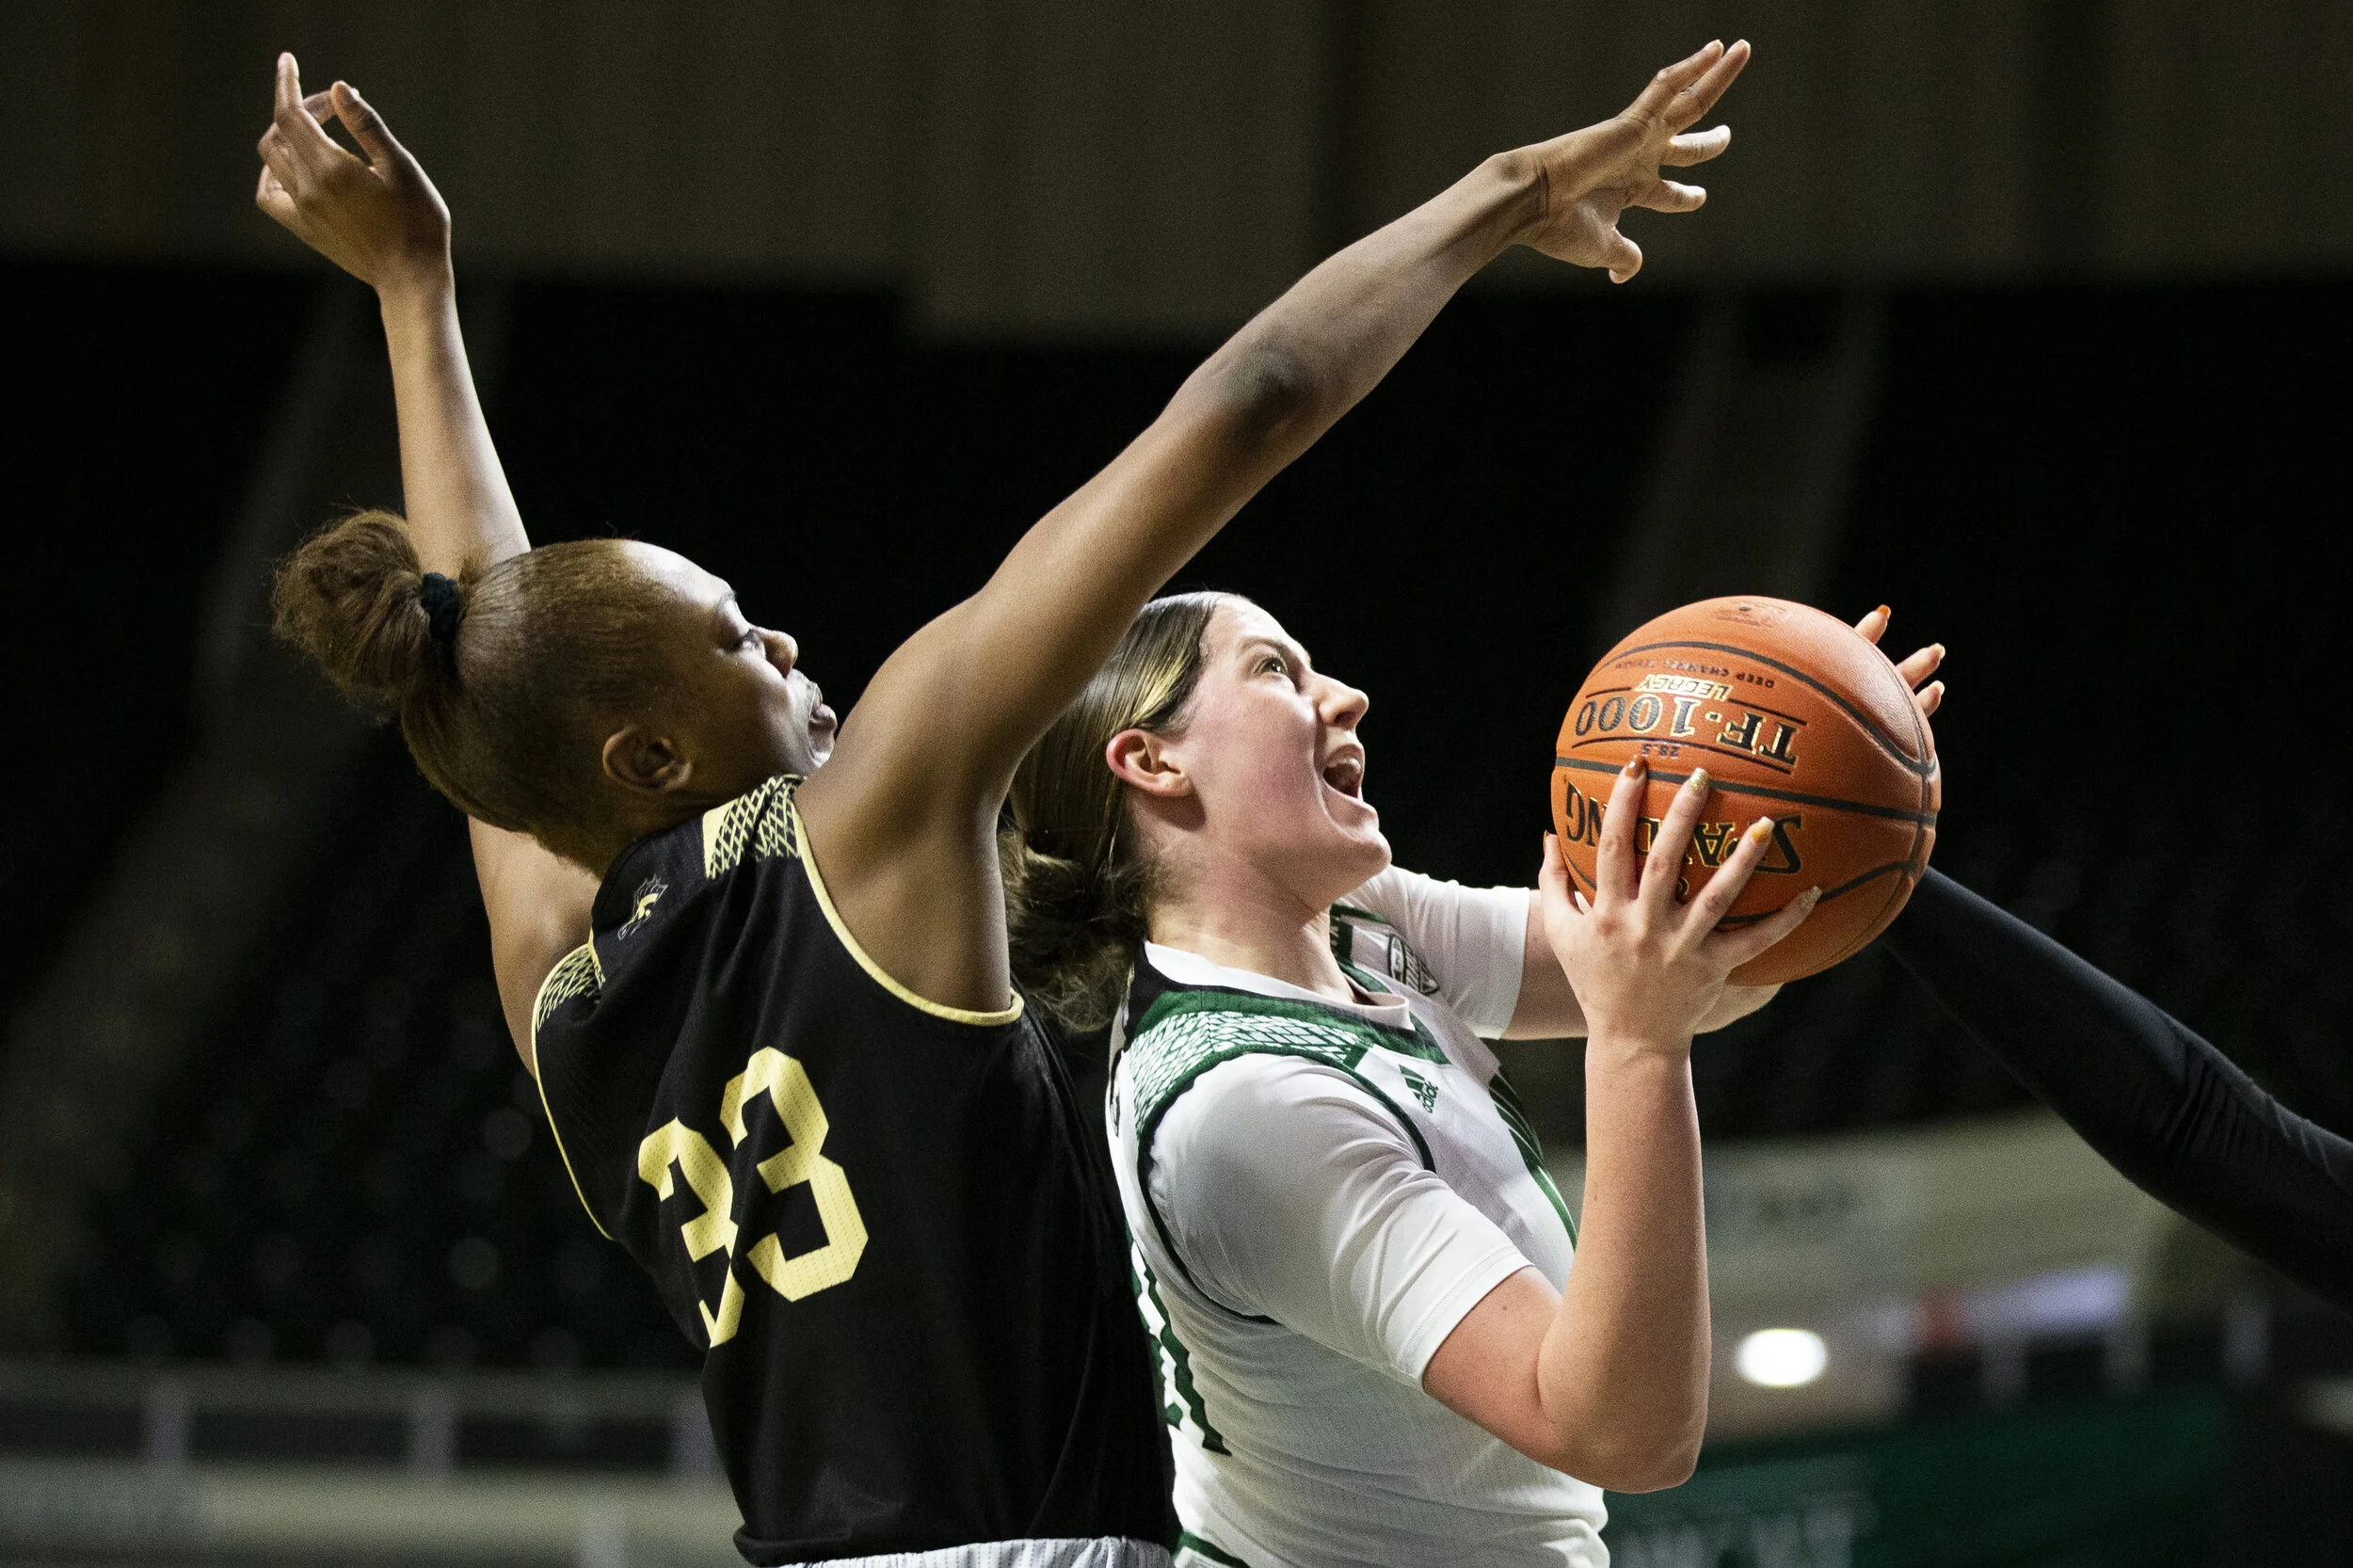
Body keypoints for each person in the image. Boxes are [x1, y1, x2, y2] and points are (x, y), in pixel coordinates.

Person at [253, 39, 1753, 1567]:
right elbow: (1251, 403)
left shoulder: (559, 997)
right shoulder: (862, 827)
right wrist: (1504, 191)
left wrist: (414, 296)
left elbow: (498, 666)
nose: (781, 643)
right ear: (650, 758)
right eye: (731, 634)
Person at [1000, 586, 1936, 1567]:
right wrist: (1637, 1046)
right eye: (1274, 668)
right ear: (1152, 760)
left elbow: (1688, 962)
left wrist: (1824, 758)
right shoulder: (1243, 1110)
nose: (1347, 696)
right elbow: (1623, 1431)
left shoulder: (1345, 918)